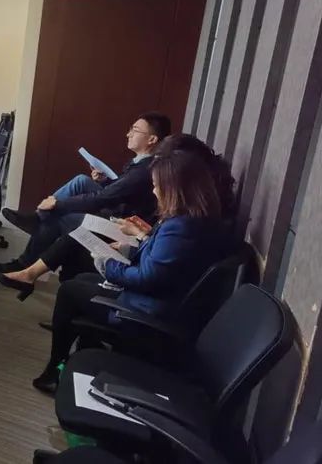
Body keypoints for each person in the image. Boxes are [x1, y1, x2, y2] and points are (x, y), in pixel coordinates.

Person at [16, 151, 229, 393]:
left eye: (157, 186)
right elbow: (164, 263)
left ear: (175, 188)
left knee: (69, 291)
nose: (154, 191)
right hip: (159, 302)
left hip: (144, 312)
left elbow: (147, 278)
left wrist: (108, 264)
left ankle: (56, 368)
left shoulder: (181, 227)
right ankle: (82, 361)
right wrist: (131, 249)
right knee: (82, 279)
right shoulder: (197, 220)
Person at [0, 112, 171, 271]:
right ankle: (38, 216)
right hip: (120, 207)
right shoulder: (142, 162)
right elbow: (122, 190)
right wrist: (106, 181)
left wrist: (58, 204)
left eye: (135, 130)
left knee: (57, 215)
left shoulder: (143, 170)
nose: (128, 134)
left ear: (152, 139)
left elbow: (104, 198)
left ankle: (25, 263)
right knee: (81, 181)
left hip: (121, 221)